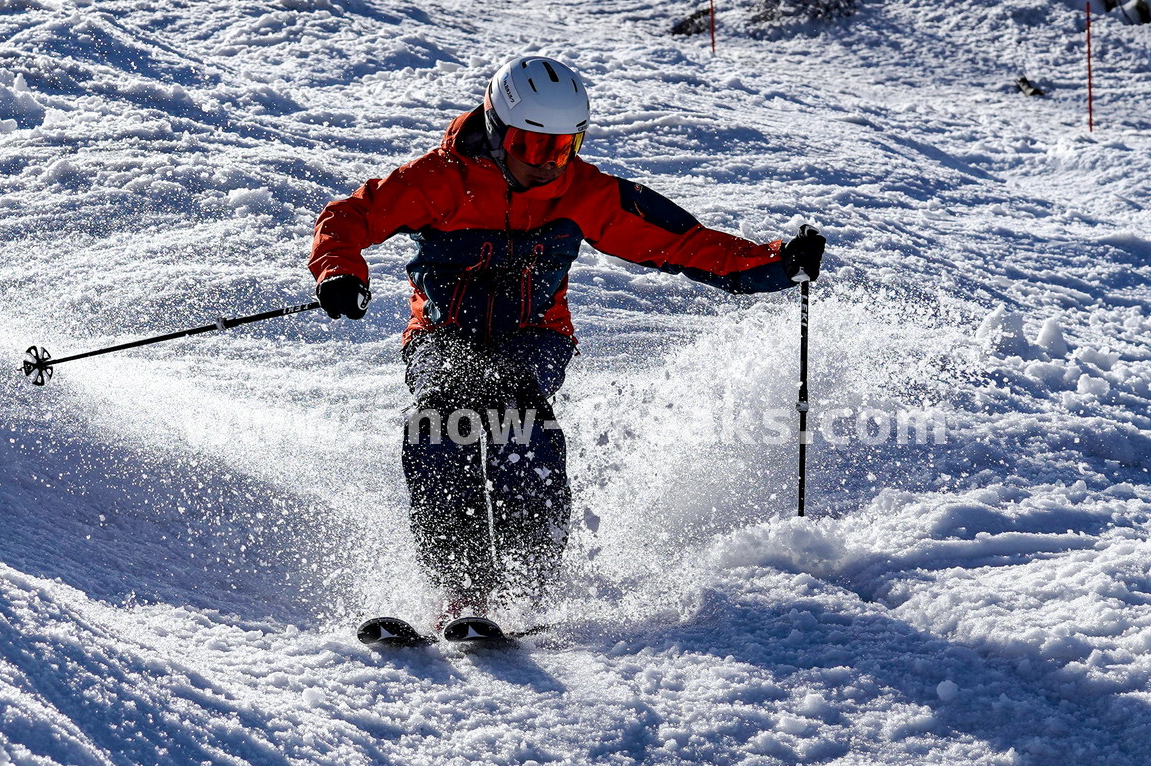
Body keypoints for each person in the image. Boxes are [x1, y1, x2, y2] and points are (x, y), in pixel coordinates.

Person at [309, 56, 825, 622]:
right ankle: (462, 589)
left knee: (515, 414)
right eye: (532, 149)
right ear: (497, 128)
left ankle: (533, 585)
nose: (547, 165)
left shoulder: (584, 192)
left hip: (537, 336)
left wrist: (776, 265)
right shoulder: (439, 179)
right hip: (441, 333)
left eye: (562, 148)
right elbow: (349, 217)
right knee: (438, 420)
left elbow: (681, 242)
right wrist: (340, 272)